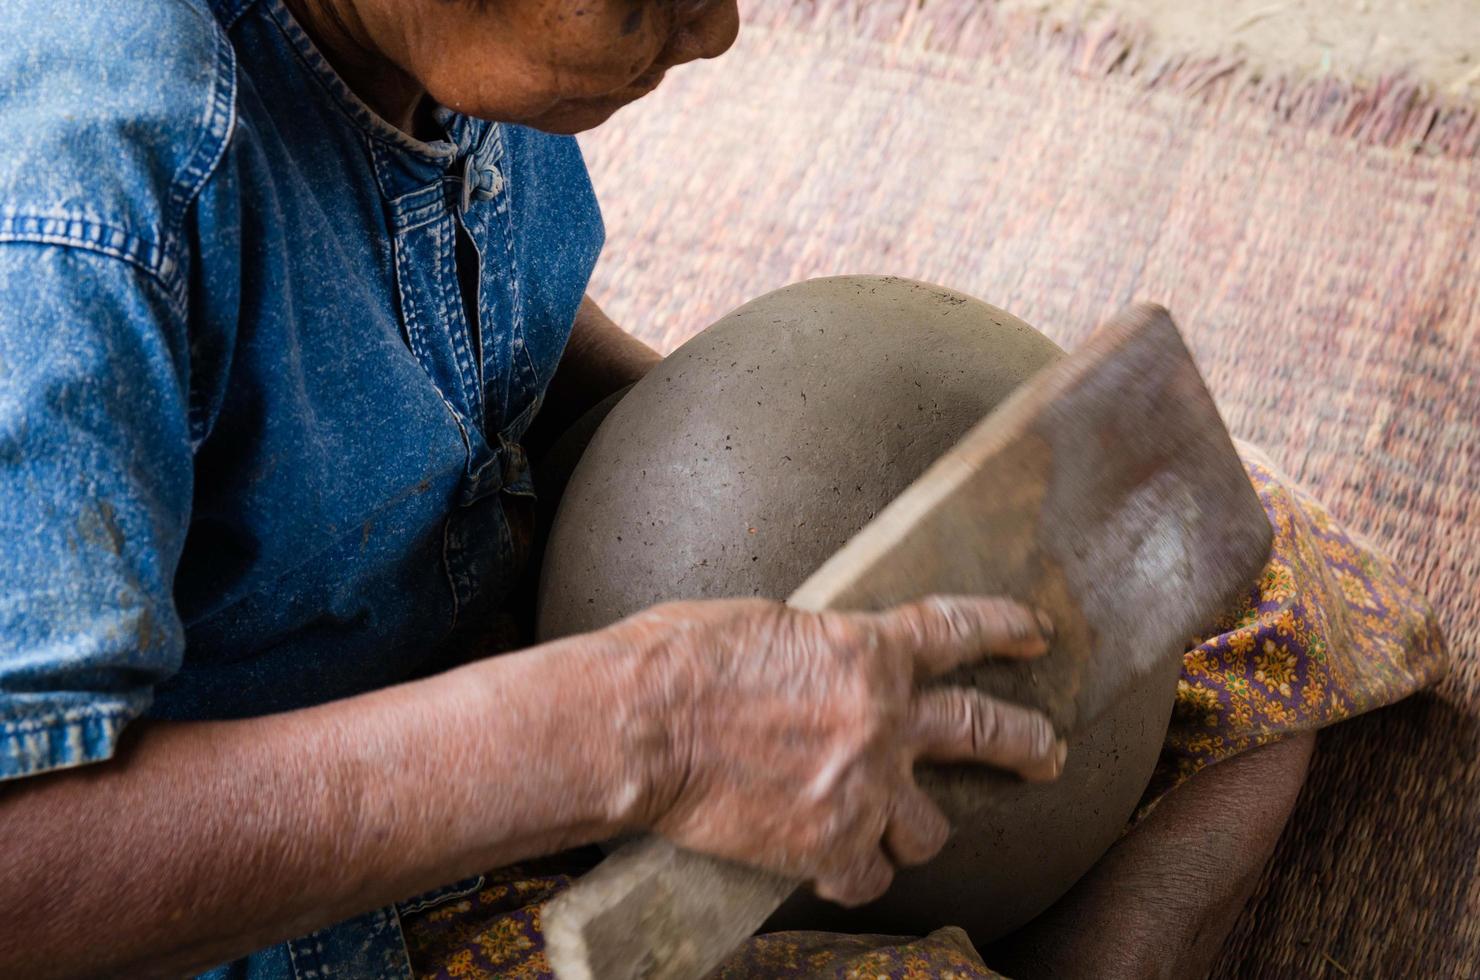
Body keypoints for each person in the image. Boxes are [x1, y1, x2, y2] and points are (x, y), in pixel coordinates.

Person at [0, 1, 1444, 977]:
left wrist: (791, 480)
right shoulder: (84, 198)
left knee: (1223, 540)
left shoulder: (424, 39)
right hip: (269, 898)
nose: (714, 28)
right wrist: (632, 726)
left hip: (488, 632)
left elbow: (433, 324)